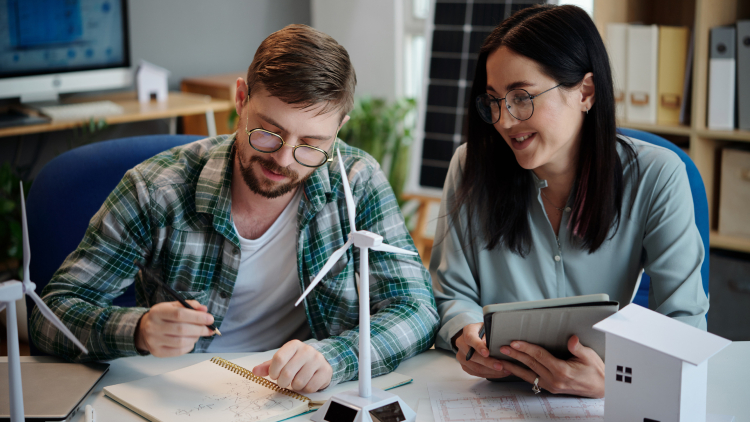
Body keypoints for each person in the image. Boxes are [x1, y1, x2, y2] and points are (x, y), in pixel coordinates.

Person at [30, 24, 438, 394]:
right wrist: (136, 329)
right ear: (241, 99)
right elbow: (50, 316)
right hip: (182, 392)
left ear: (339, 128)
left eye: (312, 144)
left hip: (306, 395)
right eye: (268, 132)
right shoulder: (155, 188)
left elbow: (416, 308)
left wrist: (338, 357)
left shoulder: (356, 178)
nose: (285, 160)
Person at [431, 5, 708, 399]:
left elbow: (684, 328)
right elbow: (450, 290)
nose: (505, 121)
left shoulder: (658, 175)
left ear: (586, 92)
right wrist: (465, 331)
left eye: (522, 97)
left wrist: (617, 381)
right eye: (494, 100)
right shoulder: (470, 165)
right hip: (495, 393)